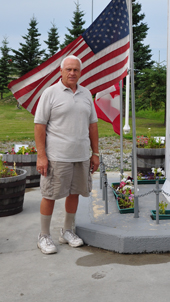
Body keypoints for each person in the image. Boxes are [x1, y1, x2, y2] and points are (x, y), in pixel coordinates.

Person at [34, 55, 99, 254]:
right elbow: (39, 125)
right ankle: (44, 236)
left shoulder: (86, 94)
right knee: (50, 195)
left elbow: (93, 125)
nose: (72, 73)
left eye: (76, 70)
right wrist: (41, 155)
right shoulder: (50, 93)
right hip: (57, 156)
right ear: (61, 72)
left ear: (80, 72)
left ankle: (67, 231)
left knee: (75, 193)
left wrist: (95, 153)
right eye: (68, 69)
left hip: (80, 156)